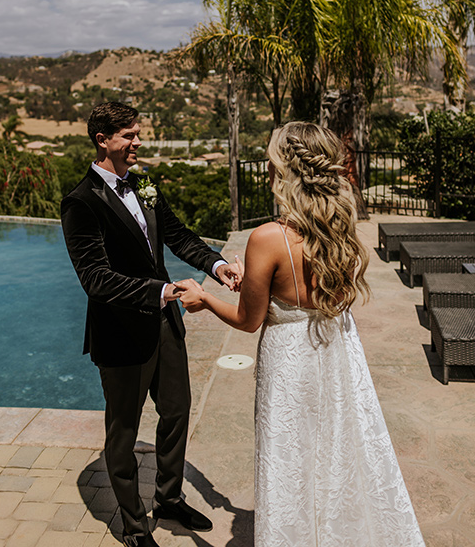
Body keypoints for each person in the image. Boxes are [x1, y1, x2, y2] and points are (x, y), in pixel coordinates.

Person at [177, 121, 426, 547]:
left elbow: (248, 321)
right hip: (338, 349)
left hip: (289, 362)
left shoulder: (268, 238)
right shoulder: (341, 226)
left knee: (289, 455)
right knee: (341, 448)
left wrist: (204, 299)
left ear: (284, 171)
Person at [61, 101, 241, 547]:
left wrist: (217, 266)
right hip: (121, 333)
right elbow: (96, 280)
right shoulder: (80, 202)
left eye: (137, 133)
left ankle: (169, 498)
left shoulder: (144, 185)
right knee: (123, 432)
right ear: (102, 141)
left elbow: (177, 235)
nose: (137, 141)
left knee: (177, 412)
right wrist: (162, 292)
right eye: (128, 135)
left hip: (165, 325)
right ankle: (134, 526)